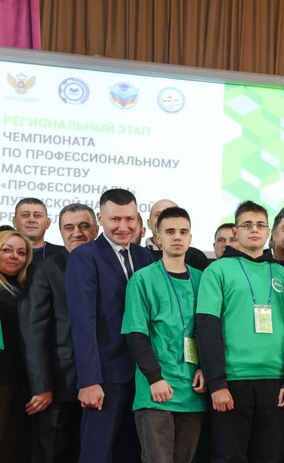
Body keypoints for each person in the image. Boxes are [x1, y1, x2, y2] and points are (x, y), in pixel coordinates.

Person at [195, 200, 284, 462]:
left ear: (268, 231)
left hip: (276, 382)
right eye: (247, 225)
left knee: (270, 456)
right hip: (232, 380)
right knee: (229, 457)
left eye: (260, 225)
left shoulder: (283, 275)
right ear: (236, 232)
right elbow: (207, 327)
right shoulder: (217, 270)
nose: (254, 230)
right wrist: (216, 383)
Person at [66, 188, 155, 463]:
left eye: (129, 219)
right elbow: (83, 322)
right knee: (97, 453)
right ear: (100, 218)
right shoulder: (84, 256)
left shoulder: (146, 257)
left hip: (142, 377)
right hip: (104, 377)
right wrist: (89, 380)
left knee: (132, 453)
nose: (123, 226)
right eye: (115, 219)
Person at [123, 207, 207, 463]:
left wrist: (204, 367)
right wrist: (154, 378)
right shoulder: (143, 279)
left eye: (183, 232)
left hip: (192, 391)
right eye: (170, 232)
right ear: (157, 237)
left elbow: (209, 331)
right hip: (157, 390)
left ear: (190, 238)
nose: (177, 237)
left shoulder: (202, 279)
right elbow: (135, 334)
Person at [19, 203, 99, 463]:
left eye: (84, 226)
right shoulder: (46, 269)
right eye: (69, 227)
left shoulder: (109, 266)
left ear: (96, 230)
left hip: (104, 384)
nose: (77, 232)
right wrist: (41, 386)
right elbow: (34, 332)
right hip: (58, 385)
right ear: (61, 231)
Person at [0, 230, 32, 463]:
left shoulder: (23, 288)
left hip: (18, 379)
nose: (14, 256)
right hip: (2, 378)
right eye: (7, 250)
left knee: (12, 448)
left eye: (21, 253)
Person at [145, 200, 209, 271]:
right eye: (158, 215)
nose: (163, 219)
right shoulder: (139, 256)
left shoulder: (196, 257)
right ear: (149, 223)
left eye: (171, 214)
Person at [12, 198, 63, 265]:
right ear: (14, 221)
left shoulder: (63, 254)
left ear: (47, 223)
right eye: (25, 215)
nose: (31, 220)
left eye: (37, 215)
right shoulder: (3, 253)